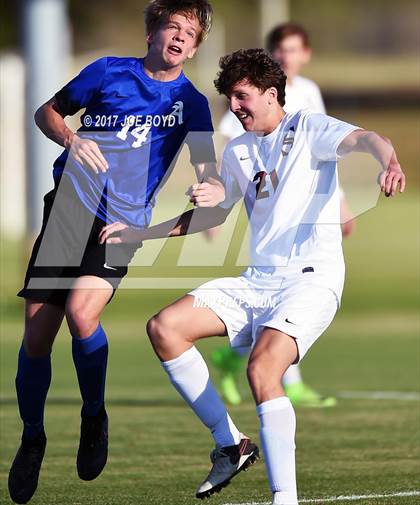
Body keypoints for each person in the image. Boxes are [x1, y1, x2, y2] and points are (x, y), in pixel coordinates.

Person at [100, 48, 405, 504]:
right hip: (258, 279)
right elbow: (209, 217)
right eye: (229, 99)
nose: (235, 107)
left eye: (242, 97)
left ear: (269, 93)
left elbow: (367, 138)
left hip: (311, 280)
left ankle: (285, 498)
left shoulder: (308, 128)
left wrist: (390, 161)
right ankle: (231, 444)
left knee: (263, 367)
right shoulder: (239, 150)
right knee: (165, 328)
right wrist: (141, 233)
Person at [8, 0, 224, 505]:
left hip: (122, 224)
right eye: (172, 26)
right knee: (38, 336)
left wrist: (211, 187)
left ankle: (92, 416)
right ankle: (32, 437)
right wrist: (71, 139)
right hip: (67, 209)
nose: (178, 37)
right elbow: (47, 114)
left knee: (83, 314)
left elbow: (208, 173)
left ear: (194, 47)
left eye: (189, 34)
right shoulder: (106, 72)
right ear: (151, 31)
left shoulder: (190, 104)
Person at [213, 23, 352, 407]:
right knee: (280, 295)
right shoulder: (249, 103)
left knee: (289, 303)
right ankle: (288, 385)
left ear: (305, 54)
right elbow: (235, 141)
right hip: (272, 214)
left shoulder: (308, 95)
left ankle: (236, 359)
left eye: (292, 50)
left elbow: (324, 148)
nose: (286, 57)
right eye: (280, 50)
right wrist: (220, 191)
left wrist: (339, 201)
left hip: (308, 216)